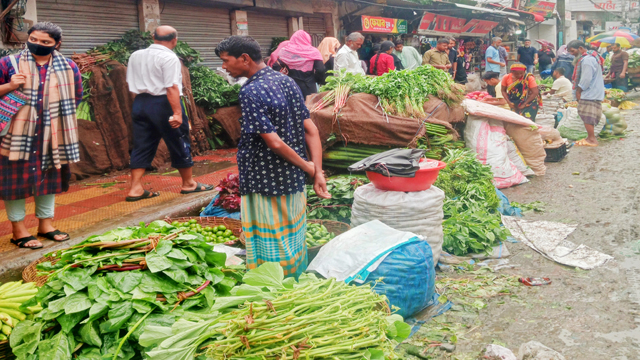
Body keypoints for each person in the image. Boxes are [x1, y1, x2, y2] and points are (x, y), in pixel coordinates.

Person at [215, 36, 330, 278]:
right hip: (291, 177)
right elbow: (312, 130)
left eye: (226, 61)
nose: (224, 67)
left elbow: (274, 142)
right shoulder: (286, 81)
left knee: (270, 240)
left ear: (244, 59)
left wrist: (312, 170)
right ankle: (295, 282)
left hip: (263, 178)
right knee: (293, 235)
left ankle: (274, 289)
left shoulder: (250, 91)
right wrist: (315, 170)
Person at [0, 22, 83, 249]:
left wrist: (55, 118)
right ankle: (19, 231)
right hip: (16, 134)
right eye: (34, 39)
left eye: (45, 42)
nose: (38, 45)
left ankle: (45, 225)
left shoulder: (68, 66)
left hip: (52, 134)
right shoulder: (9, 63)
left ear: (57, 44)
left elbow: (76, 96)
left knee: (49, 179)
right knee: (14, 182)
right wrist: (9, 85)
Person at [126, 26, 214, 202]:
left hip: (140, 102)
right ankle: (188, 184)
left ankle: (135, 188)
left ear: (153, 37)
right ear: (175, 40)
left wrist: (143, 104)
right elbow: (172, 87)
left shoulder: (136, 55)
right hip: (164, 103)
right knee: (179, 139)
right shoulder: (169, 57)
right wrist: (177, 113)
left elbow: (130, 82)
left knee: (142, 144)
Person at [567, 40, 605, 146]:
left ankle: (592, 139)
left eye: (572, 51)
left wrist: (579, 90)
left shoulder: (587, 60)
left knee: (587, 115)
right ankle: (590, 137)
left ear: (580, 48)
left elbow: (586, 79)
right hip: (593, 91)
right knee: (589, 115)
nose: (571, 53)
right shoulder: (591, 58)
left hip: (589, 92)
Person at [275, 30, 326, 98]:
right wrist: (315, 80)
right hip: (309, 87)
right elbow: (320, 69)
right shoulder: (313, 52)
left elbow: (275, 66)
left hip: (291, 87)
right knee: (309, 107)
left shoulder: (286, 51)